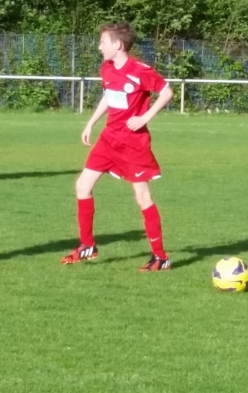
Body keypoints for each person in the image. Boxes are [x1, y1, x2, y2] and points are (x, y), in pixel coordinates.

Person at [63, 22, 175, 271]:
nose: (99, 46)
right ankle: (87, 245)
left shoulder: (140, 70)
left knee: (142, 196)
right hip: (108, 139)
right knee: (82, 185)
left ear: (118, 44)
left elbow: (167, 92)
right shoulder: (107, 68)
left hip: (132, 144)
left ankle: (160, 257)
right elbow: (109, 96)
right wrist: (91, 122)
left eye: (103, 42)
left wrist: (145, 117)